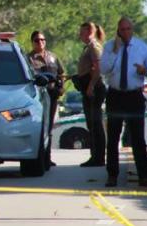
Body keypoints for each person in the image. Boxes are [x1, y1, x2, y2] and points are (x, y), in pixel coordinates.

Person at [100, 16, 147, 187]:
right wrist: (114, 51)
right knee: (112, 138)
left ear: (132, 30)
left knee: (138, 138)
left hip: (134, 96)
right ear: (118, 30)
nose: (125, 32)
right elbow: (104, 69)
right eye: (122, 29)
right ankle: (112, 175)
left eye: (128, 29)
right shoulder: (110, 47)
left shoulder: (142, 48)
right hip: (115, 95)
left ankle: (144, 175)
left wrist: (145, 70)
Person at [27, 30, 65, 167]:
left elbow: (61, 73)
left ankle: (48, 157)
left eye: (42, 40)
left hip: (52, 94)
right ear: (32, 42)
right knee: (40, 126)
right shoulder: (29, 59)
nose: (40, 42)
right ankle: (39, 157)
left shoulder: (53, 57)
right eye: (37, 40)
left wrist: (62, 87)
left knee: (49, 126)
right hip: (38, 96)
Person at [74, 21, 106, 167]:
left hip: (94, 88)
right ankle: (95, 156)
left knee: (95, 123)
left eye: (82, 32)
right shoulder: (87, 47)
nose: (80, 35)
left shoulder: (94, 46)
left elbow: (98, 67)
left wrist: (91, 86)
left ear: (89, 32)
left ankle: (98, 157)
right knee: (91, 123)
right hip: (88, 87)